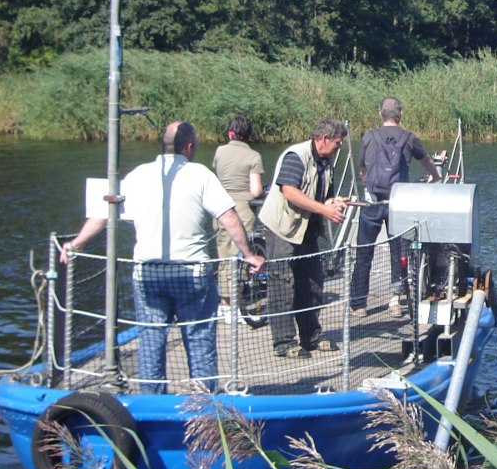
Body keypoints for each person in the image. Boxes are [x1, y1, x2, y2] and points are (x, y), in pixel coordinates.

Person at [61, 121, 266, 394]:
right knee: (199, 339)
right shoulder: (200, 175)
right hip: (191, 273)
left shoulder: (137, 175)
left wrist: (75, 244)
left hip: (148, 274)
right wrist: (249, 254)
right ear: (189, 147)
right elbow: (228, 216)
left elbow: (102, 214)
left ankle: (151, 398)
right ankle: (204, 402)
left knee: (151, 340)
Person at [258, 118, 349, 358]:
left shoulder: (327, 162)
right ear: (324, 139)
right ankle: (284, 343)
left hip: (307, 230)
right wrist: (324, 210)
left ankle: (311, 337)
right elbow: (288, 191)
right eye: (337, 143)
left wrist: (333, 202)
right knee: (282, 284)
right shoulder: (296, 156)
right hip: (283, 229)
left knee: (312, 283)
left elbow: (323, 197)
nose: (339, 147)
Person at [349, 97, 441, 317]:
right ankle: (394, 301)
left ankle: (358, 304)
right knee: (398, 252)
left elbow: (362, 167)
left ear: (380, 114)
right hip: (399, 202)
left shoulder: (369, 137)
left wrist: (367, 181)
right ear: (400, 115)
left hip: (372, 201)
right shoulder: (409, 138)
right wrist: (435, 177)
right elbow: (426, 161)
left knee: (364, 251)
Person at [211, 114, 264, 312]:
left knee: (224, 255)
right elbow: (256, 191)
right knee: (242, 257)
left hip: (220, 208)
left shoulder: (219, 151)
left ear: (231, 132)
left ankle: (224, 303)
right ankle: (233, 305)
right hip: (242, 211)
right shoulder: (253, 156)